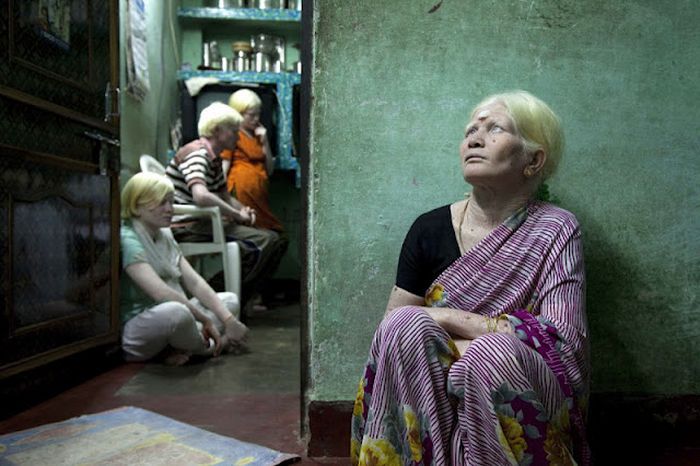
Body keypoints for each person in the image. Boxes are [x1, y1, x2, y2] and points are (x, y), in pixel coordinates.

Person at [351, 91, 591, 465]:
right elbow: (393, 343)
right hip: (428, 395)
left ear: (533, 159)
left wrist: (447, 320)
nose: (474, 139)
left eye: (494, 129)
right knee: (405, 325)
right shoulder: (428, 228)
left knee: (491, 354)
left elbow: (563, 344)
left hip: (514, 383)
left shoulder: (556, 229)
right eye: (470, 131)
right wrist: (462, 346)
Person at [166, 101, 286, 310]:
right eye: (233, 131)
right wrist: (236, 215)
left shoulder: (213, 158)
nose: (237, 136)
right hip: (188, 225)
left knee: (272, 240)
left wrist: (243, 210)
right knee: (265, 241)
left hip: (202, 222)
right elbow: (201, 196)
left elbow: (224, 195)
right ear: (217, 130)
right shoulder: (197, 153)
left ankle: (227, 296)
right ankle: (217, 293)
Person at [120, 172, 249, 366]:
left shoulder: (164, 234)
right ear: (137, 207)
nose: (169, 209)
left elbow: (195, 282)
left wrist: (229, 320)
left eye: (171, 202)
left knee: (229, 300)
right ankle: (212, 347)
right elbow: (161, 293)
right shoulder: (128, 238)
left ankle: (178, 348)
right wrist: (205, 320)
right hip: (141, 328)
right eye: (161, 203)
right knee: (177, 313)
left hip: (174, 318)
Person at [221, 89, 289, 309]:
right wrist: (226, 205)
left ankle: (254, 292)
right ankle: (248, 293)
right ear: (238, 114)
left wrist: (265, 141)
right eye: (250, 114)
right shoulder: (233, 136)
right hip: (241, 197)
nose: (255, 118)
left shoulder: (257, 136)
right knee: (264, 242)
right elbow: (222, 172)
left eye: (257, 113)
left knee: (278, 240)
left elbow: (268, 168)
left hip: (259, 199)